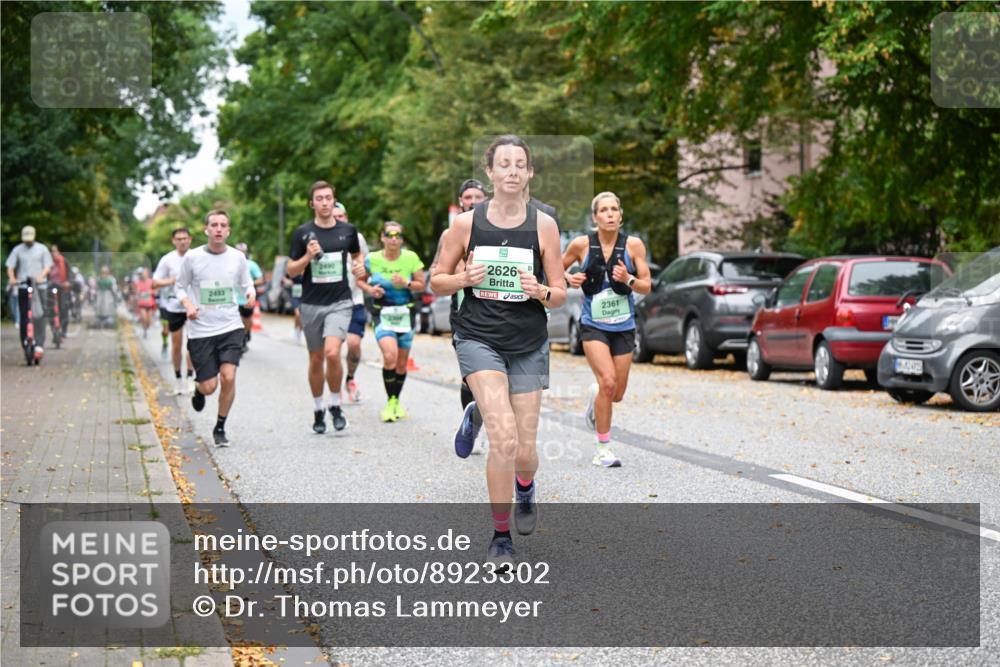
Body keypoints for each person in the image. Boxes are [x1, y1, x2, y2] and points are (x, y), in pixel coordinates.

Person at [431, 135, 566, 565]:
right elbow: (436, 279)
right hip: (478, 337)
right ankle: (500, 537)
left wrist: (542, 290)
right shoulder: (466, 225)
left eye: (519, 164)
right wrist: (464, 280)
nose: (511, 171)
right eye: (503, 164)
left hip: (527, 343)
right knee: (503, 438)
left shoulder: (543, 225)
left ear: (529, 173)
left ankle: (525, 486)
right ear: (490, 172)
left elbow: (560, 293)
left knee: (525, 452)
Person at [562, 192, 652, 468]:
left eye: (614, 209)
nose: (610, 214)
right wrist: (568, 278)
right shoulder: (581, 245)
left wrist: (629, 278)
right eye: (604, 210)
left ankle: (596, 397)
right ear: (595, 217)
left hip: (624, 326)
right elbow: (553, 269)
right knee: (608, 382)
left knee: (617, 393)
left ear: (620, 215)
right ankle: (603, 449)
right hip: (593, 325)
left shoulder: (634, 245)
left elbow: (647, 285)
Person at [286, 181, 365, 435]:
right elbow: (291, 270)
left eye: (328, 198)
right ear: (312, 204)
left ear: (334, 201)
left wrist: (360, 267)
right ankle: (318, 408)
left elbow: (357, 256)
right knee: (316, 358)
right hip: (311, 304)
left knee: (333, 353)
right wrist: (308, 258)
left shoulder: (348, 230)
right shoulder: (302, 233)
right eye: (319, 198)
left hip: (340, 302)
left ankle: (335, 404)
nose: (324, 202)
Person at [175, 210, 254, 447]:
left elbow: (246, 283)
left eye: (223, 225)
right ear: (206, 229)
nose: (218, 229)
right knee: (210, 386)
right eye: (214, 225)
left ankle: (220, 426)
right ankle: (199, 390)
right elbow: (180, 288)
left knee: (228, 377)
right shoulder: (192, 257)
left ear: (228, 231)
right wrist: (188, 304)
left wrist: (250, 293)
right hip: (201, 330)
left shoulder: (238, 257)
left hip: (230, 326)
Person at [435, 179, 488, 454]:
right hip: (463, 311)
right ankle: (474, 427)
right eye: (468, 197)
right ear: (461, 201)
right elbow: (437, 274)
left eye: (478, 196)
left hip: (496, 312)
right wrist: (460, 275)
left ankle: (483, 419)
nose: (473, 201)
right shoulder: (451, 234)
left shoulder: (498, 230)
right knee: (471, 376)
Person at [359, 221, 425, 422]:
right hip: (382, 314)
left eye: (398, 235)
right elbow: (359, 279)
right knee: (390, 356)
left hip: (406, 314)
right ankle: (390, 402)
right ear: (383, 237)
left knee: (402, 364)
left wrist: (405, 283)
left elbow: (421, 285)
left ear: (402, 239)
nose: (394, 238)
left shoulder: (411, 258)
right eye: (390, 234)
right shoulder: (372, 259)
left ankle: (396, 400)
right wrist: (371, 290)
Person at [153, 228, 196, 395]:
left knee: (192, 344)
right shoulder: (167, 260)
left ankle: (191, 378)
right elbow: (155, 282)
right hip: (174, 305)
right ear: (173, 241)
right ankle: (178, 380)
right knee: (176, 344)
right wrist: (172, 280)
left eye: (185, 238)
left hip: (192, 305)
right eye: (178, 239)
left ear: (190, 239)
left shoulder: (197, 256)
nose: (182, 242)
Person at [334, 202, 369, 403]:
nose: (338, 219)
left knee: (354, 344)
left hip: (355, 298)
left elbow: (363, 261)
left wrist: (361, 270)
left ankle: (350, 378)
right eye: (334, 216)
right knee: (334, 348)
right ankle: (335, 386)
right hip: (332, 301)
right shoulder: (322, 236)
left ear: (346, 217)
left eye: (341, 216)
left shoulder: (356, 237)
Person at [5, 226, 53, 354]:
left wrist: (41, 276)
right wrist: (12, 278)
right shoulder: (18, 250)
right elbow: (10, 266)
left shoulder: (42, 249)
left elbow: (48, 266)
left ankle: (39, 343)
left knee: (39, 315)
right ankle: (25, 341)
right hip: (23, 286)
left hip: (40, 286)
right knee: (24, 316)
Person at [234, 243, 265, 353]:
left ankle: (245, 336)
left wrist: (249, 283)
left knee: (246, 320)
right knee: (237, 320)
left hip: (247, 298)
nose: (241, 253)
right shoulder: (230, 264)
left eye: (243, 251)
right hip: (234, 299)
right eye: (239, 250)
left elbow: (260, 279)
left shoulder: (251, 264)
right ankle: (238, 340)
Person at [133, 267, 156, 338]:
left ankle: (146, 328)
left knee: (148, 320)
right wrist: (138, 292)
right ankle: (144, 330)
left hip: (150, 303)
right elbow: (136, 292)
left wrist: (150, 292)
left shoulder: (151, 281)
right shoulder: (138, 282)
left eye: (145, 273)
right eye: (142, 273)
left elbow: (156, 291)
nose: (143, 275)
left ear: (148, 274)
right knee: (144, 318)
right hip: (142, 303)